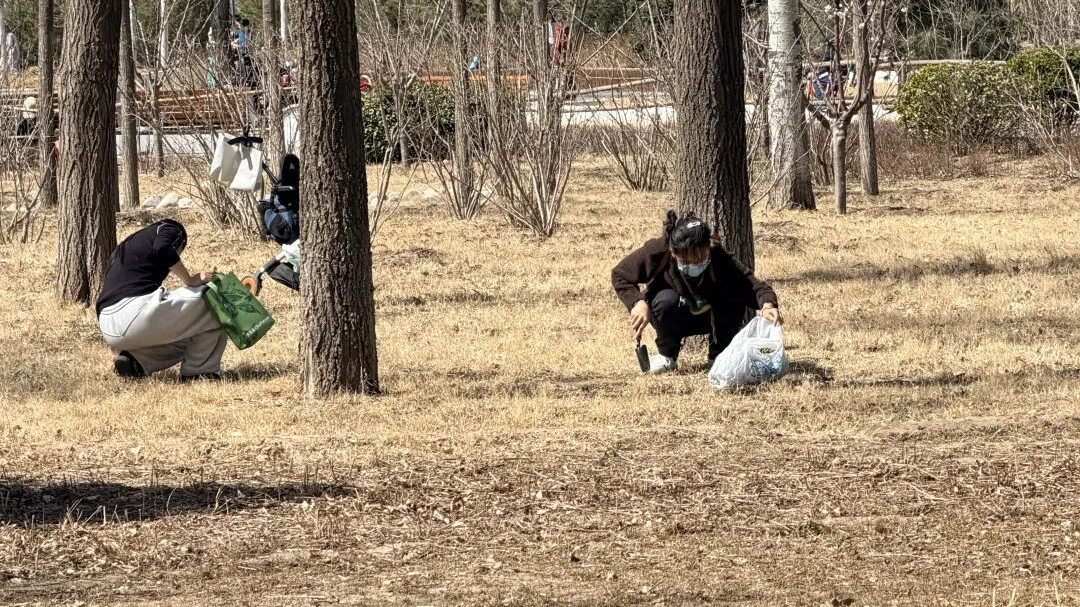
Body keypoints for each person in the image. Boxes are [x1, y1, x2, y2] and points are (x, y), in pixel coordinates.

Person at [611, 211, 784, 373]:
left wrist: (768, 305)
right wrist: (637, 302)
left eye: (701, 258)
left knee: (732, 297)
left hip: (709, 318)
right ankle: (667, 356)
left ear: (709, 246)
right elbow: (619, 274)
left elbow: (753, 286)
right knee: (665, 300)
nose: (694, 264)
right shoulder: (658, 252)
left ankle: (719, 356)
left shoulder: (718, 256)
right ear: (673, 252)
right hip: (670, 316)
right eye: (686, 260)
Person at [96, 219, 226, 381]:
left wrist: (115, 340)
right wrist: (190, 280)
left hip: (109, 326)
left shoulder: (125, 249)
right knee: (216, 299)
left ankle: (137, 361)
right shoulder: (170, 228)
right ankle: (199, 372)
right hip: (135, 312)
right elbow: (163, 248)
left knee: (192, 330)